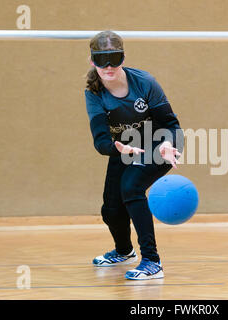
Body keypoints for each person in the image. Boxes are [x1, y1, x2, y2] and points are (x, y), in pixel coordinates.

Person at [84, 30, 183, 280]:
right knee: (111, 209)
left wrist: (166, 144)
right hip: (125, 147)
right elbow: (101, 139)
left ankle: (152, 261)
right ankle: (124, 251)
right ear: (92, 60)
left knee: (131, 187)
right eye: (101, 60)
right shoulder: (94, 92)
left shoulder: (145, 82)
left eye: (114, 58)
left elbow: (171, 124)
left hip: (162, 144)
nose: (108, 66)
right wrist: (115, 147)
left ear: (124, 58)